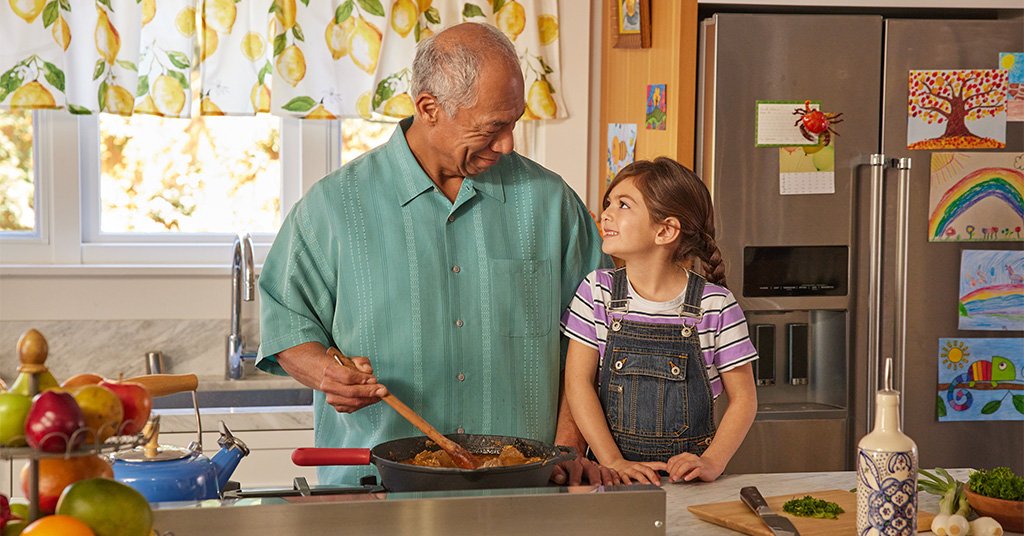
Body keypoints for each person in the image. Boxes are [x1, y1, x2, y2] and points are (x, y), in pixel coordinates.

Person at [255, 22, 611, 486]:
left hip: (523, 488)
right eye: (492, 128)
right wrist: (326, 373)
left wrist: (566, 449)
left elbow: (596, 338)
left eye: (514, 123)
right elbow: (286, 325)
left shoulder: (552, 203)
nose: (507, 144)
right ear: (428, 108)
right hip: (372, 493)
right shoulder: (332, 206)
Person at [560, 157, 758, 486]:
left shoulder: (716, 305)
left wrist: (712, 461)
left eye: (623, 205)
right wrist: (613, 461)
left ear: (665, 230)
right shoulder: (596, 291)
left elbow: (744, 399)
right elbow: (578, 383)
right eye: (609, 202)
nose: (606, 213)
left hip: (684, 484)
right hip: (610, 479)